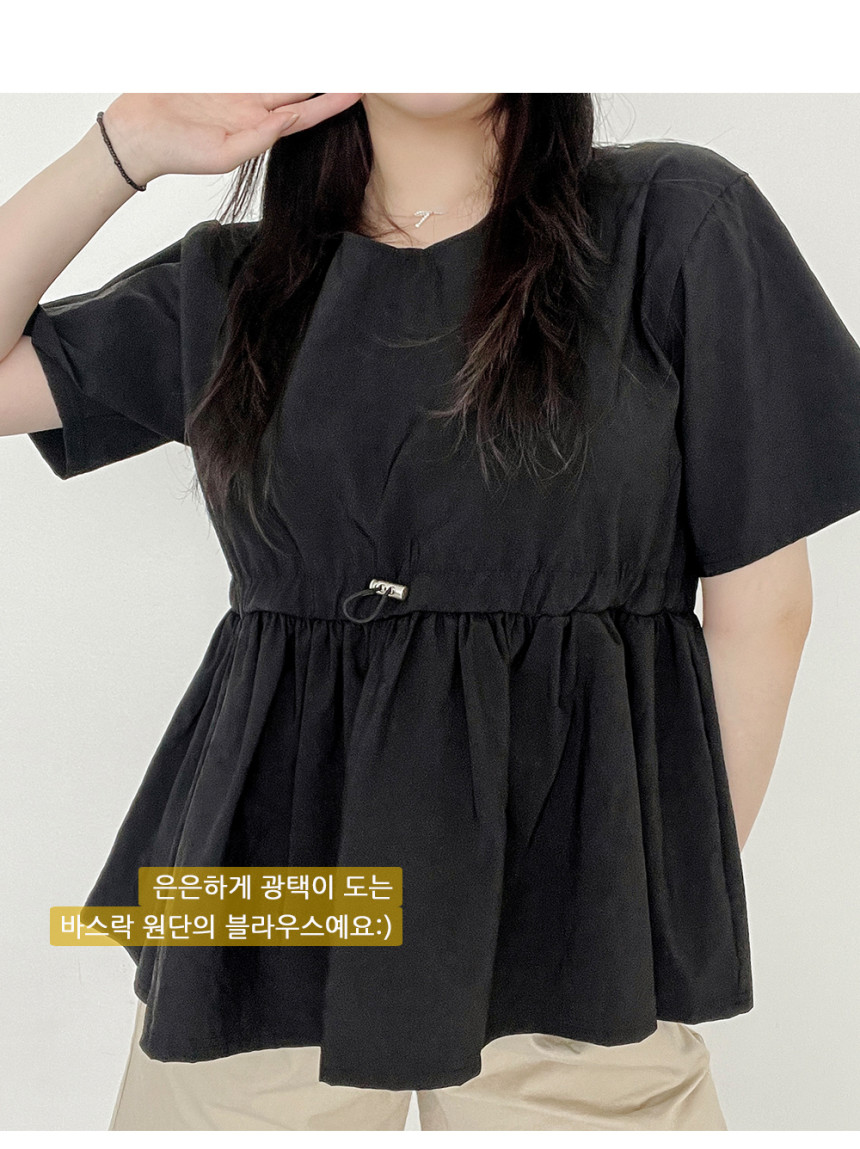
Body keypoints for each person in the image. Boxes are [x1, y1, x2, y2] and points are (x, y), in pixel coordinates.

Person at [2, 93, 860, 1132]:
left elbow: (763, 608)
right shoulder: (241, 280)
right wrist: (122, 146)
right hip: (258, 909)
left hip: (572, 908)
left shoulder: (670, 221)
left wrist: (648, 897)